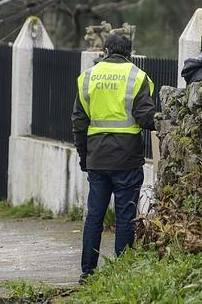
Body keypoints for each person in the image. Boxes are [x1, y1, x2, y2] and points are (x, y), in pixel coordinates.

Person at [71, 35, 156, 282]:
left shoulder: (88, 77)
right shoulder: (138, 77)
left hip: (97, 157)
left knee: (94, 217)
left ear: (105, 50)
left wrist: (83, 155)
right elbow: (145, 118)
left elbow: (78, 121)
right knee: (125, 217)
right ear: (131, 52)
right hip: (127, 158)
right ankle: (122, 273)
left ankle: (87, 272)